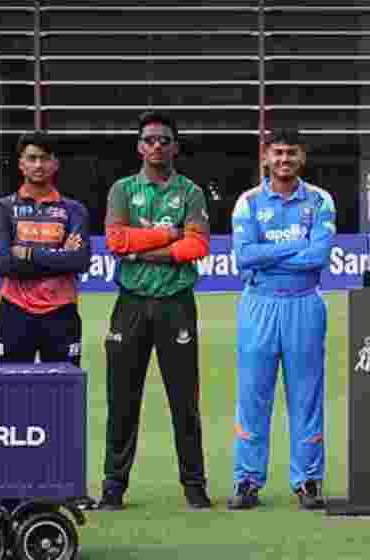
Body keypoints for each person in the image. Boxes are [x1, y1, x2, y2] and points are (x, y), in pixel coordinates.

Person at [98, 111, 212, 510]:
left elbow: (197, 247)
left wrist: (141, 247)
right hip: (130, 303)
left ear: (175, 146)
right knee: (122, 397)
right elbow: (116, 240)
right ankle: (113, 485)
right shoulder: (123, 190)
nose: (157, 146)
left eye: (164, 139)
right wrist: (168, 237)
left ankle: (195, 486)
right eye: (150, 140)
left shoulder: (191, 192)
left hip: (176, 304)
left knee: (184, 399)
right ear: (139, 146)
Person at [228, 129, 337, 510]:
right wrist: (295, 246)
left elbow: (317, 257)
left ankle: (307, 480)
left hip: (304, 303)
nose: (284, 159)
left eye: (291, 153)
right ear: (265, 157)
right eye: (277, 153)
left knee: (306, 395)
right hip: (259, 303)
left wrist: (270, 251)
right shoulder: (249, 202)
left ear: (301, 157)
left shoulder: (320, 201)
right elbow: (245, 256)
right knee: (253, 395)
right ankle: (247, 480)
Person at [0, 132, 90, 366]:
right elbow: (2, 264)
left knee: (63, 396)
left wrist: (28, 253)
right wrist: (60, 256)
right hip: (15, 311)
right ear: (21, 164)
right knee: (9, 393)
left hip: (61, 312)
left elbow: (80, 261)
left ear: (55, 164)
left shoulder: (74, 210)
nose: (38, 165)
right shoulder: (2, 208)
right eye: (31, 158)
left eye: (44, 158)